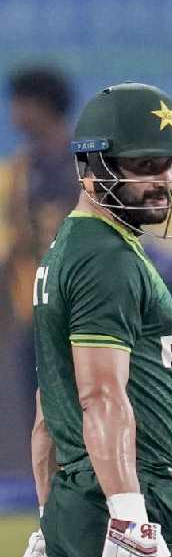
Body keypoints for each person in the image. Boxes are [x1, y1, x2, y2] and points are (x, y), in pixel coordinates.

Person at [8, 82, 172, 557]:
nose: (165, 180)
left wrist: (50, 519)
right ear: (92, 168)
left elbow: (49, 411)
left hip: (96, 495)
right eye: (145, 165)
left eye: (169, 164)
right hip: (134, 492)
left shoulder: (70, 247)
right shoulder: (104, 258)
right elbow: (100, 397)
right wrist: (128, 515)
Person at [3, 64, 80, 422]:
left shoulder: (87, 165)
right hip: (33, 315)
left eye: (19, 103)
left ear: (41, 105)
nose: (13, 114)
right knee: (42, 421)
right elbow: (17, 240)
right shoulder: (21, 169)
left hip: (82, 314)